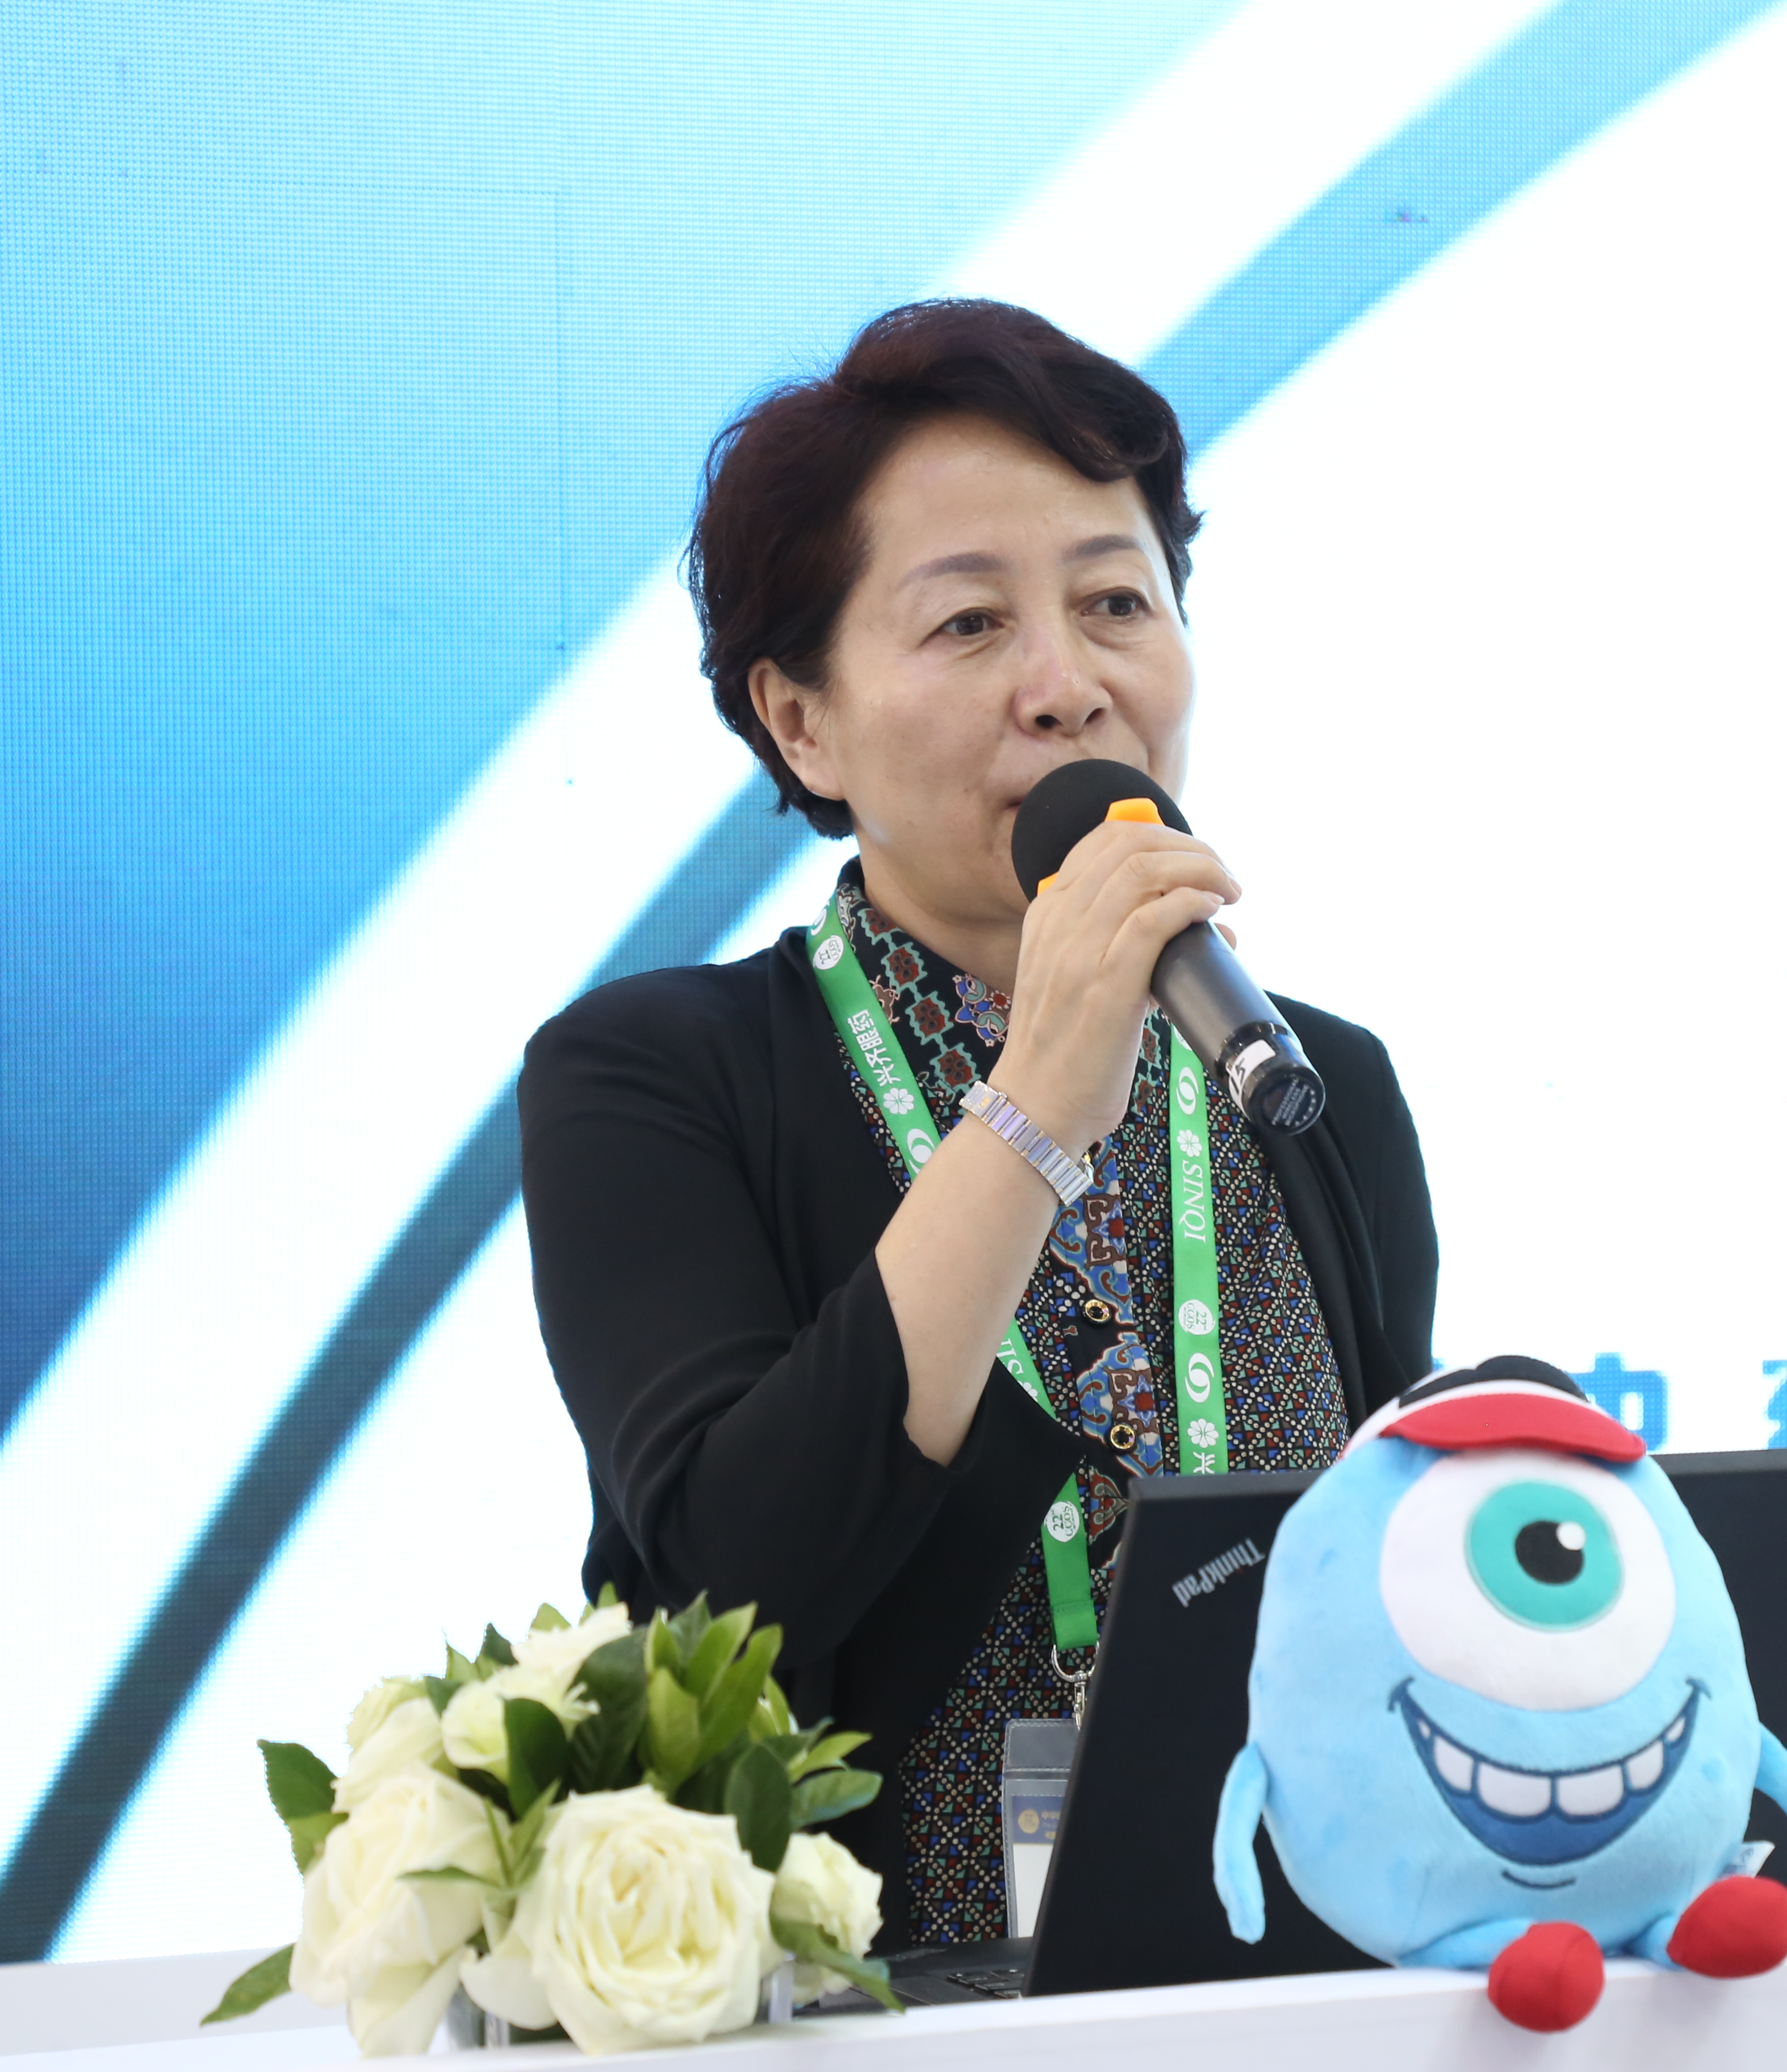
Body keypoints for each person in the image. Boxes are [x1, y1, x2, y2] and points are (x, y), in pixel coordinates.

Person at [517, 299, 1439, 1953]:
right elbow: (736, 1597)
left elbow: (1394, 1583)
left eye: (1115, 603)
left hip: (1291, 1987)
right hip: (858, 2016)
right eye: (968, 624)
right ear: (802, 720)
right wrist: (1037, 1104)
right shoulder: (654, 1076)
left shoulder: (1309, 1079)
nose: (1067, 687)